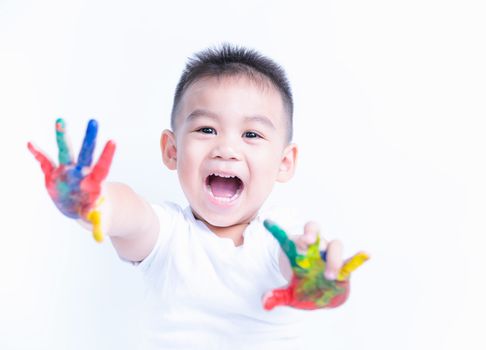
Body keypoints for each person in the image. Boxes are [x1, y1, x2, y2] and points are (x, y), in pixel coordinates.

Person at [28, 44, 365, 349]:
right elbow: (131, 214)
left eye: (251, 134)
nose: (227, 148)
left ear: (284, 161)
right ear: (172, 150)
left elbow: (294, 263)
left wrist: (320, 279)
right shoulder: (167, 235)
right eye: (207, 129)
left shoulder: (281, 237)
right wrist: (94, 201)